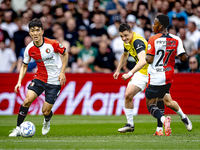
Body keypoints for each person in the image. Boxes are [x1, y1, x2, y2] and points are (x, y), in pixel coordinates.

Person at [9, 18, 68, 137]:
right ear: (29, 33)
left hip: (55, 81)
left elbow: (65, 53)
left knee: (45, 111)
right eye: (32, 30)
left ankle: (47, 121)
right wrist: (19, 82)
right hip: (40, 78)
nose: (35, 33)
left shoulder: (52, 44)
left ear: (42, 31)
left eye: (37, 30)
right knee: (27, 101)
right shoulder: (29, 48)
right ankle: (17, 128)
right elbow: (24, 66)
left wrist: (62, 72)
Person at [146, 14, 192, 136]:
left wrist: (145, 56)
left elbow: (150, 60)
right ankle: (161, 129)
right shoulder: (176, 39)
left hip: (156, 76)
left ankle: (163, 120)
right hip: (168, 77)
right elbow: (183, 58)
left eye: (155, 23)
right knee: (163, 100)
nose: (153, 25)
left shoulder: (153, 39)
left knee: (150, 104)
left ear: (160, 26)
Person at [113, 23, 148, 133]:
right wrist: (118, 70)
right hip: (141, 72)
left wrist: (130, 73)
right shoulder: (127, 42)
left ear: (131, 33)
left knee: (166, 101)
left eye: (126, 36)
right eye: (121, 36)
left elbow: (143, 61)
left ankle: (182, 116)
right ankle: (130, 124)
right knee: (128, 95)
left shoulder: (137, 41)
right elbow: (124, 55)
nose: (124, 38)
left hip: (153, 72)